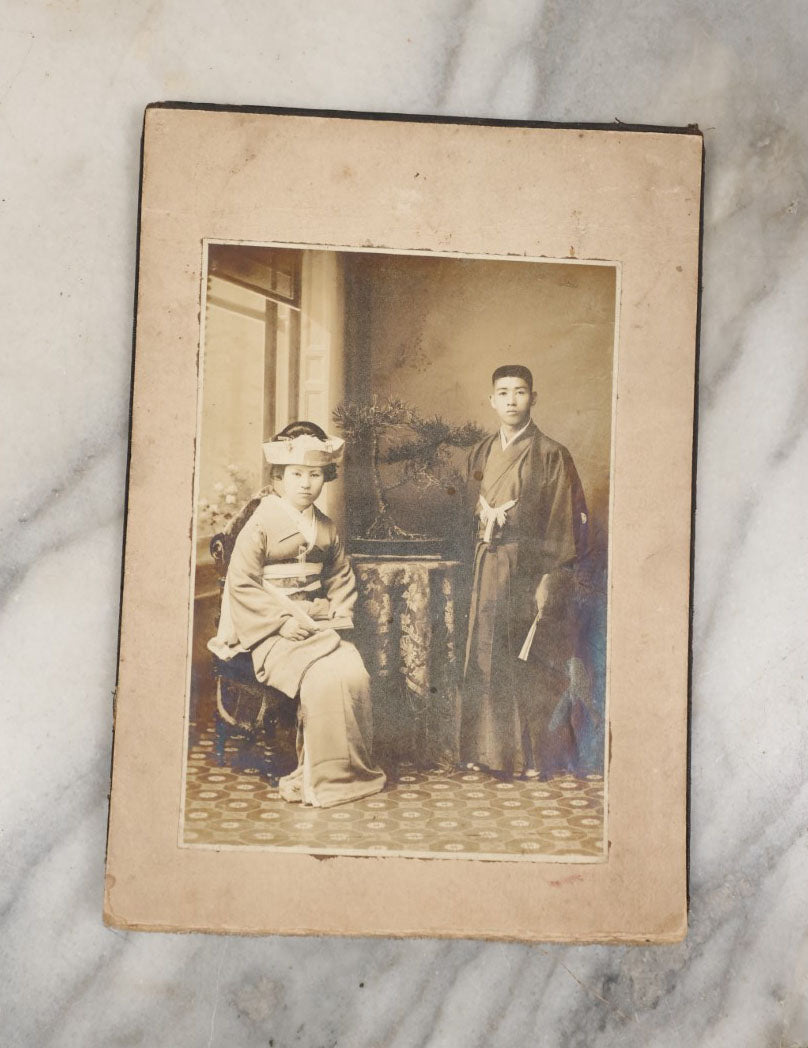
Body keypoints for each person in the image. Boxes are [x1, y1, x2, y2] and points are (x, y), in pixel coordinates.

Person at [208, 421, 386, 808]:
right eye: (297, 475)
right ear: (279, 477)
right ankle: (318, 776)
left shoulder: (325, 526)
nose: (306, 484)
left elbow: (340, 575)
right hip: (273, 630)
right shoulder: (260, 524)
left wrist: (340, 607)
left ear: (326, 478)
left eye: (315, 475)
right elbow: (241, 585)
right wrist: (281, 621)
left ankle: (351, 773)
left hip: (318, 624)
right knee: (321, 679)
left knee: (353, 673)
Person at [460, 365, 589, 778]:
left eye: (520, 392)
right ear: (492, 400)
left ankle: (534, 759)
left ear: (534, 397)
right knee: (485, 655)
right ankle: (486, 753)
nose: (512, 400)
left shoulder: (551, 453)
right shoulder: (480, 452)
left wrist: (549, 577)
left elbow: (561, 520)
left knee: (527, 658)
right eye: (503, 392)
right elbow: (464, 513)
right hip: (487, 566)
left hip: (528, 570)